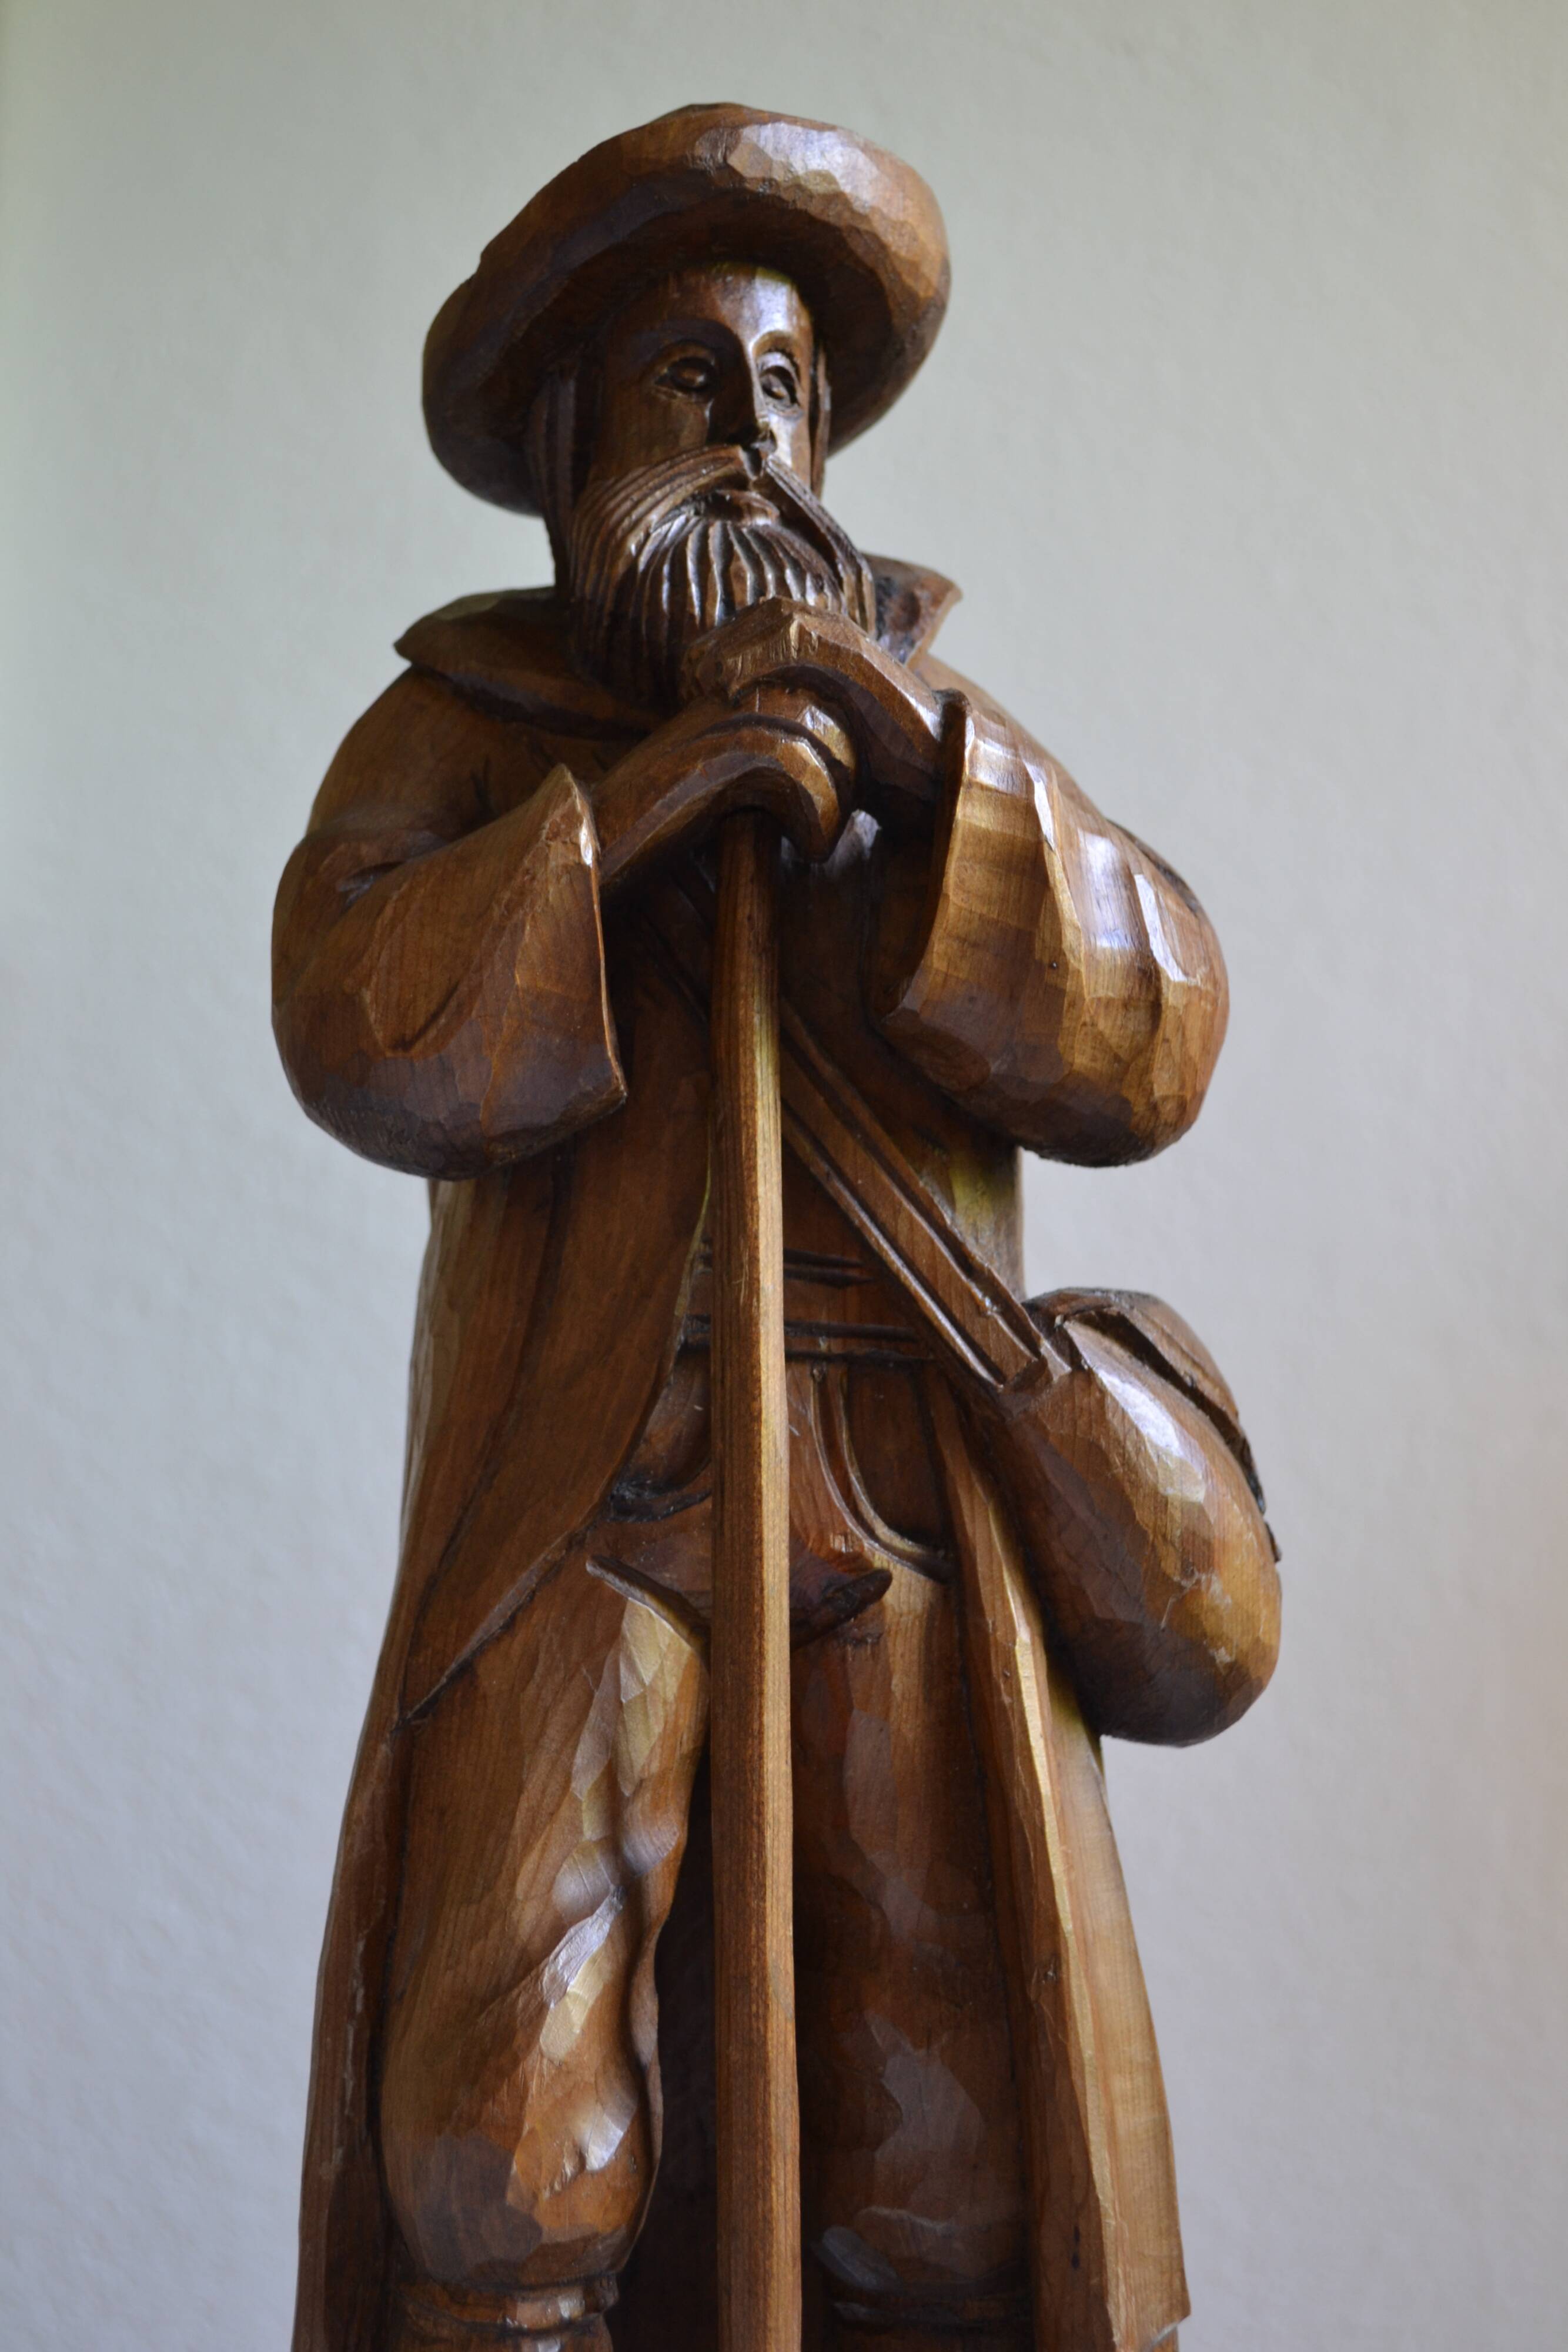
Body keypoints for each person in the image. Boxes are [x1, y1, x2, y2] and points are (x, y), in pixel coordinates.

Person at [273, 104, 1280, 2352]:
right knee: (500, 2139)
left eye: (786, 392)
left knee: (934, 2156)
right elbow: (355, 1022)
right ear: (568, 438)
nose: (753, 440)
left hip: (903, 1493)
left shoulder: (928, 727)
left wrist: (919, 777)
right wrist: (634, 818)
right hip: (590, 1490)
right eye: (689, 385)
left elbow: (1155, 1031)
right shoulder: (465, 726)